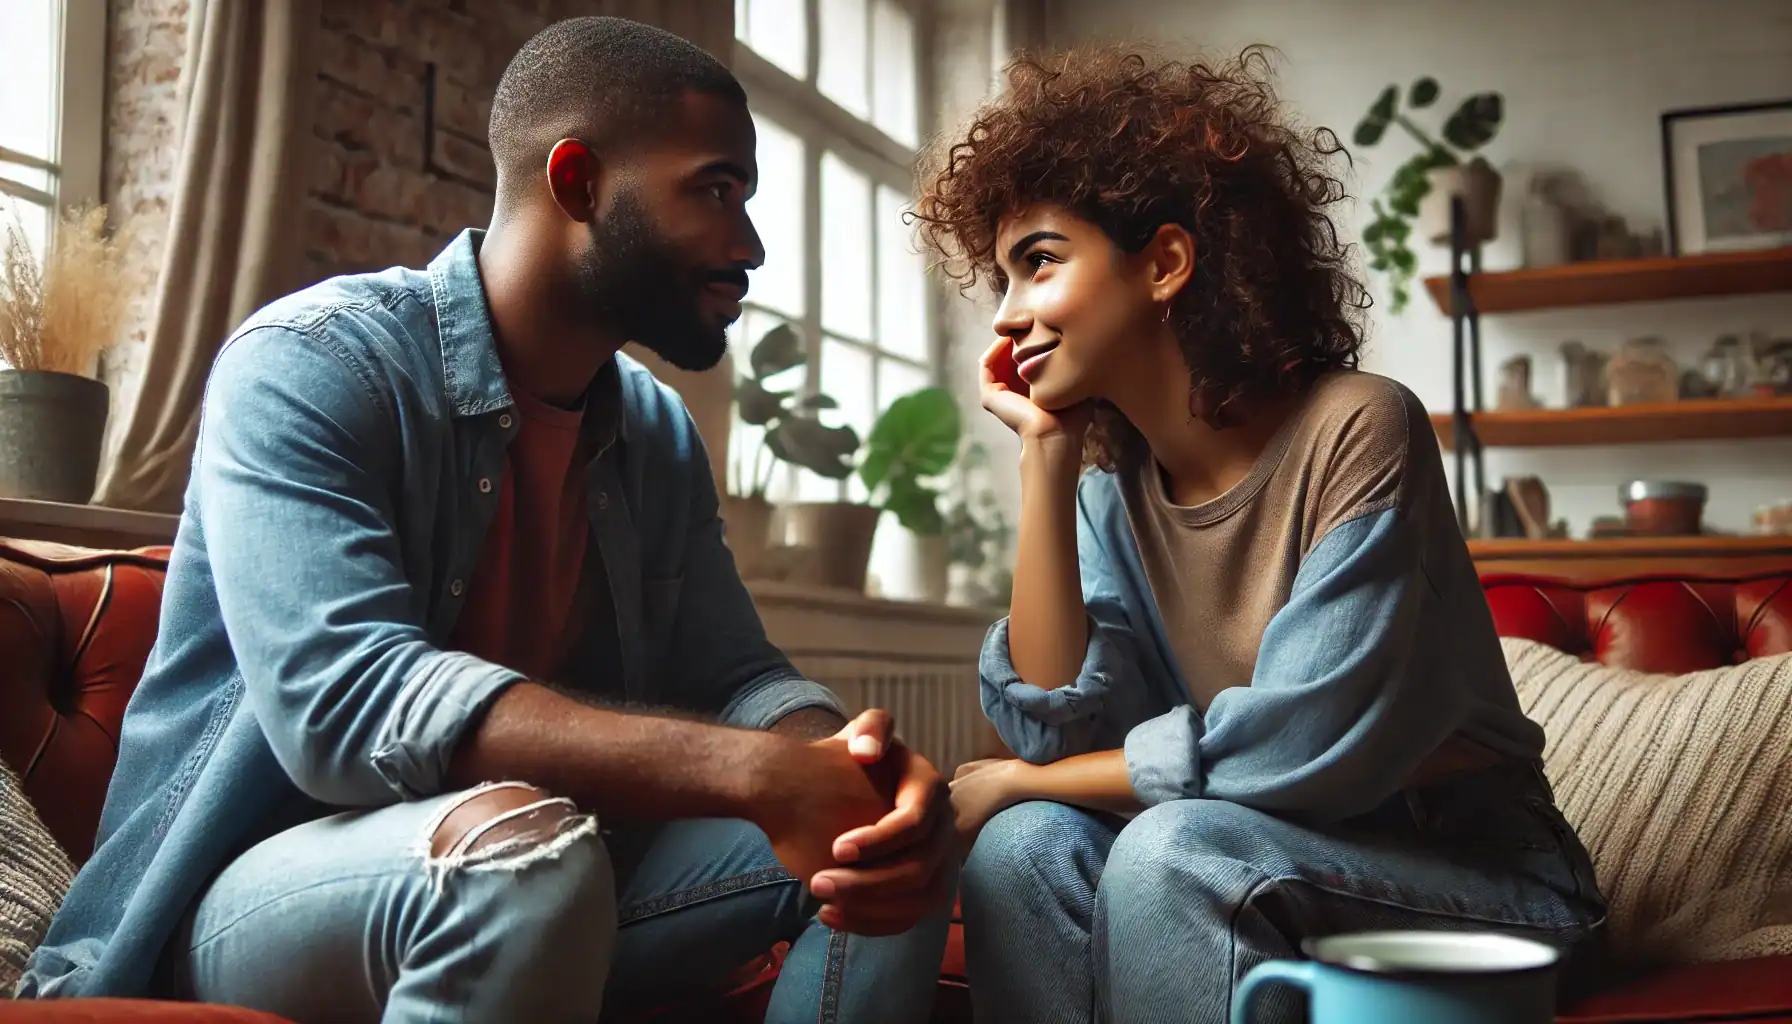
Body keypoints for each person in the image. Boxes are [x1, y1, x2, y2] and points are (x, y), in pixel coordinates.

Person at [20, 17, 955, 1023]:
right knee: (524, 857)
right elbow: (345, 702)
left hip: (553, 878)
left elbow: (735, 673)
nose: (749, 247)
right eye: (715, 191)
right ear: (577, 182)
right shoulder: (312, 362)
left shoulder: (653, 431)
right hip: (247, 896)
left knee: (887, 844)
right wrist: (751, 771)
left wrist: (831, 764)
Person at [913, 45, 1607, 1023]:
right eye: (998, 280)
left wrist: (1030, 778)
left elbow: (1302, 741)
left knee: (1169, 848)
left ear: (1163, 262)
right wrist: (1046, 458)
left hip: (1483, 874)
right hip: (1259, 852)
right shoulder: (1112, 496)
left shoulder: (1359, 427)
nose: (1009, 316)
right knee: (1022, 846)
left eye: (1037, 262)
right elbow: (1057, 717)